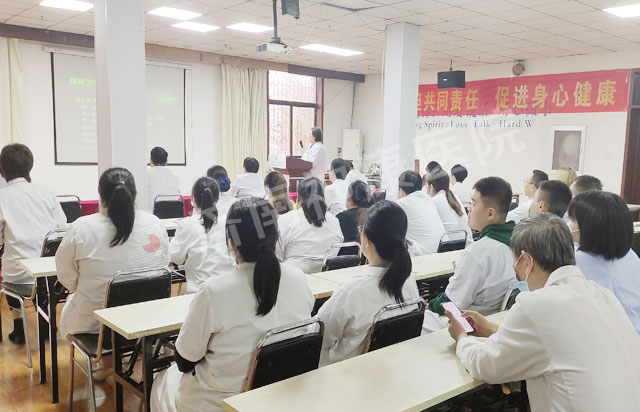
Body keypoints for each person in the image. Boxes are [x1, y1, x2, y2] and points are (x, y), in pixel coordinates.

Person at [447, 214, 640, 412]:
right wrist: (491, 329)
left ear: (526, 261)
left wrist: (461, 338)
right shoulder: (601, 294)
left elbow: (485, 366)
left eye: (515, 265)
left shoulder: (535, 305)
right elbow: (555, 341)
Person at [151, 198, 315, 412]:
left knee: (160, 382)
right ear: (276, 235)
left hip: (218, 404)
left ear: (231, 243)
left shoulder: (215, 291)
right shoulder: (300, 280)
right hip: (276, 398)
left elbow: (184, 361)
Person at [56, 167, 170, 338]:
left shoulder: (81, 228)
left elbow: (65, 276)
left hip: (94, 327)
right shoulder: (154, 224)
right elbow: (164, 266)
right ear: (135, 194)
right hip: (147, 321)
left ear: (101, 196)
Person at [317, 200, 419, 365]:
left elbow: (317, 338)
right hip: (390, 366)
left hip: (345, 374)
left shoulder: (351, 293)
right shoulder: (409, 282)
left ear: (367, 240)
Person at [0, 144, 67, 343]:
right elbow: (61, 227)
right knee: (43, 283)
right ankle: (46, 324)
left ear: (2, 169)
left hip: (18, 275)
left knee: (11, 271)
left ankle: (18, 327)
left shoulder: (2, 197)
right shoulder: (46, 192)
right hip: (50, 273)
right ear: (30, 166)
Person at [428, 177, 516, 319]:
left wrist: (429, 306)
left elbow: (451, 303)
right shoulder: (517, 242)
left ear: (490, 213)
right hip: (496, 318)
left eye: (473, 204)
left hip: (468, 322)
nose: (468, 209)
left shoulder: (477, 253)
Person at [568, 191, 640, 334]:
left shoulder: (578, 262)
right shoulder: (629, 255)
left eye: (573, 220)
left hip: (614, 337)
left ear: (589, 227)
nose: (570, 225)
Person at [169, 177, 235, 294]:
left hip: (199, 293)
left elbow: (176, 258)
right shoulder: (229, 222)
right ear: (217, 199)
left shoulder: (187, 224)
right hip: (229, 290)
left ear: (193, 198)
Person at [276, 177, 343, 274]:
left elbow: (277, 255)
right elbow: (337, 246)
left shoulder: (286, 219)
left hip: (292, 277)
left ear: (299, 199)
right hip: (326, 278)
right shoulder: (334, 221)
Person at [394, 171, 445, 256]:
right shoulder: (429, 200)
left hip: (423, 256)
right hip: (443, 251)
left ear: (401, 190)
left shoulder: (401, 204)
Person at [425, 168, 473, 246]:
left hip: (450, 248)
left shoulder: (433, 201)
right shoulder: (455, 198)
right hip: (467, 244)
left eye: (427, 187)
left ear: (431, 187)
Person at [147, 146, 181, 213]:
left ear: (150, 160)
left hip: (152, 215)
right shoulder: (176, 177)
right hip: (174, 215)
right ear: (166, 162)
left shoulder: (146, 176)